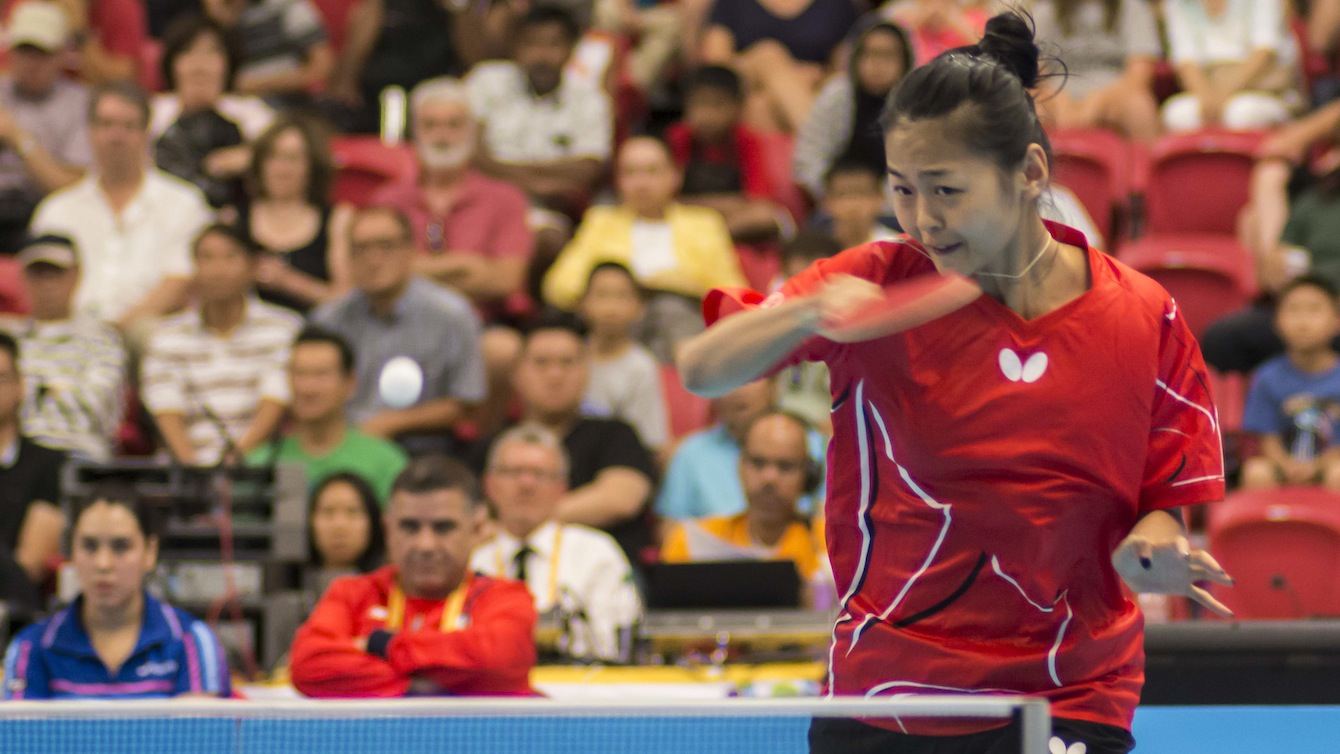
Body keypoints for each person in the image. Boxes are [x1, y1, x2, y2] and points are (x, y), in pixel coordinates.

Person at [677, 14, 1230, 752]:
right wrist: (808, 312)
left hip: (1068, 689)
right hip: (887, 689)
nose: (923, 220)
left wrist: (1153, 548)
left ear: (1030, 171)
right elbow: (705, 369)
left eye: (947, 190)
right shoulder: (876, 285)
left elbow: (1164, 500)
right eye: (902, 189)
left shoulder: (1143, 315)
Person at [289, 455, 536, 697]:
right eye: (409, 527)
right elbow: (308, 665)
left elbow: (499, 660)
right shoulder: (351, 593)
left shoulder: (507, 598)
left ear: (477, 529)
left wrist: (382, 645)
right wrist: (425, 687)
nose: (425, 544)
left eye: (443, 527)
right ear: (387, 528)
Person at [1, 484, 232, 699]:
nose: (103, 564)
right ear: (72, 551)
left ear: (150, 551)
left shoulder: (192, 640)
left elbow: (200, 739)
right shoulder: (31, 648)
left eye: (121, 546)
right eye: (89, 546)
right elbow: (20, 739)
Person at [29, 81, 212, 336]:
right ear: (90, 131)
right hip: (71, 338)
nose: (116, 136)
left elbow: (180, 280)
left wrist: (117, 332)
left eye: (128, 126)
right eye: (106, 125)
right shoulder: (56, 210)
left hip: (151, 335)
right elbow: (39, 286)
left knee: (146, 333)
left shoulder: (184, 203)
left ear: (147, 133)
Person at [476, 312, 657, 570]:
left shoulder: (616, 434)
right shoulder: (493, 444)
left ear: (587, 372)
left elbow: (621, 499)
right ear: (516, 373)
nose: (555, 375)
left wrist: (520, 521)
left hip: (601, 571)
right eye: (541, 363)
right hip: (502, 573)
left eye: (568, 362)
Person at [542, 135, 746, 363]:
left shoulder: (704, 224)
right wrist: (617, 294)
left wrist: (669, 285)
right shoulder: (601, 221)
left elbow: (732, 292)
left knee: (669, 310)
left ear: (674, 176)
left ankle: (688, 389)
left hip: (683, 316)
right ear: (618, 181)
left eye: (652, 171)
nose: (642, 183)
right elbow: (558, 287)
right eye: (631, 172)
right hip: (617, 322)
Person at [310, 205, 486, 455]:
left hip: (422, 448)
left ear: (410, 251)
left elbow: (468, 403)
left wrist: (392, 423)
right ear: (348, 259)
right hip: (341, 446)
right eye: (361, 249)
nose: (373, 259)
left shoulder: (452, 315)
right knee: (291, 477)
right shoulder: (329, 320)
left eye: (386, 246)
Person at [470, 424, 642, 661]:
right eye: (513, 472)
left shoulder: (596, 552)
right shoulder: (472, 555)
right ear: (489, 484)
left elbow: (614, 645)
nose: (526, 484)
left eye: (540, 474)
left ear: (562, 487)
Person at [141, 224, 301, 466]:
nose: (218, 269)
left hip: (258, 464)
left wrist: (231, 463)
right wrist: (194, 469)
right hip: (184, 468)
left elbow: (275, 399)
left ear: (252, 266)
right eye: (206, 258)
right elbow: (165, 404)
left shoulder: (284, 328)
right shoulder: (165, 335)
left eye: (230, 257)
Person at [370, 77, 533, 309]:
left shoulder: (506, 198)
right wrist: (467, 266)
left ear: (473, 132)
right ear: (414, 132)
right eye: (430, 125)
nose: (442, 136)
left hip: (487, 325)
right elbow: (378, 274)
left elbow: (506, 280)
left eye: (454, 125)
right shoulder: (387, 200)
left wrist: (412, 269)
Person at [467, 6, 612, 220]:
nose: (541, 55)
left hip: (552, 211)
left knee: (547, 238)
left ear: (572, 49)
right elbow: (473, 155)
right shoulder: (486, 80)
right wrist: (539, 182)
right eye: (531, 43)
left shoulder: (591, 99)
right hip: (486, 202)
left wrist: (501, 168)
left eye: (553, 44)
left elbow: (588, 169)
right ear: (515, 47)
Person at [247, 327, 408, 503]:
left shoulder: (385, 462)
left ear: (350, 383)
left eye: (321, 374)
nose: (308, 387)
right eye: (299, 374)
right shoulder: (260, 463)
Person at [2, 234, 125, 461]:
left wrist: (25, 390)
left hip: (77, 454)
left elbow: (95, 411)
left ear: (76, 275)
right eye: (37, 275)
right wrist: (57, 388)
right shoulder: (7, 337)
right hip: (12, 458)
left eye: (55, 274)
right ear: (23, 278)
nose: (47, 285)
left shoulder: (102, 339)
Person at [661, 411, 822, 581]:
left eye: (785, 466)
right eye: (758, 463)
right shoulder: (692, 541)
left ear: (808, 475)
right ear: (740, 466)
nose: (770, 478)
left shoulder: (833, 543)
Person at [150, 15, 274, 210]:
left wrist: (248, 158)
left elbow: (282, 155)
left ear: (228, 63)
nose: (200, 65)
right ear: (172, 63)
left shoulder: (252, 112)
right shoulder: (152, 111)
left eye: (212, 53)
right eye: (188, 52)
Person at [657, 378, 824, 521]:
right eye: (727, 379)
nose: (738, 390)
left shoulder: (817, 446)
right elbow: (670, 532)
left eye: (749, 376)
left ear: (774, 385)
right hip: (715, 555)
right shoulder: (690, 453)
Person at [0, 1, 91, 253]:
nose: (31, 62)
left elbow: (71, 188)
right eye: (23, 51)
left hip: (44, 214)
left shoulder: (80, 104)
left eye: (41, 52)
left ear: (63, 54)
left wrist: (18, 139)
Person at [240, 116, 353, 314]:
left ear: (313, 166)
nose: (281, 169)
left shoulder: (338, 219)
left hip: (316, 334)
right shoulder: (233, 218)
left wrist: (288, 282)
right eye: (272, 157)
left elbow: (347, 301)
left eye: (292, 159)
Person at [664, 65, 789, 243]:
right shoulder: (677, 138)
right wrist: (729, 204)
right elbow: (667, 199)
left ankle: (711, 242)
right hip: (687, 220)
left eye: (717, 104)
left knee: (765, 216)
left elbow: (759, 201)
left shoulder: (747, 140)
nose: (706, 115)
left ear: (738, 108)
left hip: (731, 223)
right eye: (698, 104)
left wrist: (700, 205)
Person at [794, 19, 913, 201]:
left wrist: (877, 204)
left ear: (905, 61)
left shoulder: (915, 106)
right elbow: (808, 159)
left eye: (888, 55)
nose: (877, 64)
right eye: (870, 54)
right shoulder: (837, 95)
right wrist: (836, 198)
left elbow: (917, 172)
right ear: (855, 57)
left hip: (895, 209)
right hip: (833, 205)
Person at [1240, 276, 1340, 490]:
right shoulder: (1267, 376)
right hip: (1284, 465)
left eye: (1314, 310)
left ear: (1336, 321)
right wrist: (1286, 464)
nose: (1303, 321)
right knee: (1257, 472)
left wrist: (1318, 466)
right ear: (1277, 321)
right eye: (1293, 310)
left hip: (1331, 464)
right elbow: (1267, 436)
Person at [699, 0, 858, 133]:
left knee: (761, 107)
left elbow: (842, 73)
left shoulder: (837, 6)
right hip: (744, 85)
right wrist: (791, 73)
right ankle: (821, 148)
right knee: (769, 54)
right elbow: (717, 66)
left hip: (809, 92)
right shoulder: (732, 3)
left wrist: (804, 79)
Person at [1029, 0, 1162, 143]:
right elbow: (1036, 74)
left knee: (1139, 108)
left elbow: (1139, 75)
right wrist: (1059, 101)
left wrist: (1098, 102)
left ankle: (1145, 164)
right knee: (1030, 105)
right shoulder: (1045, 10)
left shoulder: (1133, 8)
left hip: (1116, 92)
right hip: (1057, 94)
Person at [1160, 0, 1299, 132]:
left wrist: (1222, 95)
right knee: (1177, 114)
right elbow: (1185, 59)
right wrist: (1207, 99)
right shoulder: (1178, 3)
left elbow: (1264, 52)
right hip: (1209, 88)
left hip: (1262, 88)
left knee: (1241, 114)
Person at [0, 331, 65, 598]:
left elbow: (30, 566)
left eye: (1, 379)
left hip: (12, 607)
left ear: (20, 386)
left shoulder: (47, 464)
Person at [578, 262, 668, 454]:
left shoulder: (642, 367)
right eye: (602, 295)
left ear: (640, 308)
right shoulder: (568, 356)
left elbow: (649, 440)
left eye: (622, 296)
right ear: (582, 303)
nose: (611, 308)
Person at [200, 0, 334, 104]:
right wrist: (218, 14)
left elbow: (322, 66)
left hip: (285, 102)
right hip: (226, 104)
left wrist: (260, 84)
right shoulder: (204, 11)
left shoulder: (285, 5)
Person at [305, 472, 386, 594]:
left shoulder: (391, 589)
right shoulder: (286, 588)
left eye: (352, 511)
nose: (339, 526)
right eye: (328, 512)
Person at [819, 158, 901, 251]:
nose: (853, 204)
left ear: (880, 198)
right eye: (843, 194)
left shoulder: (896, 248)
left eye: (862, 193)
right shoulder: (815, 249)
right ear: (826, 202)